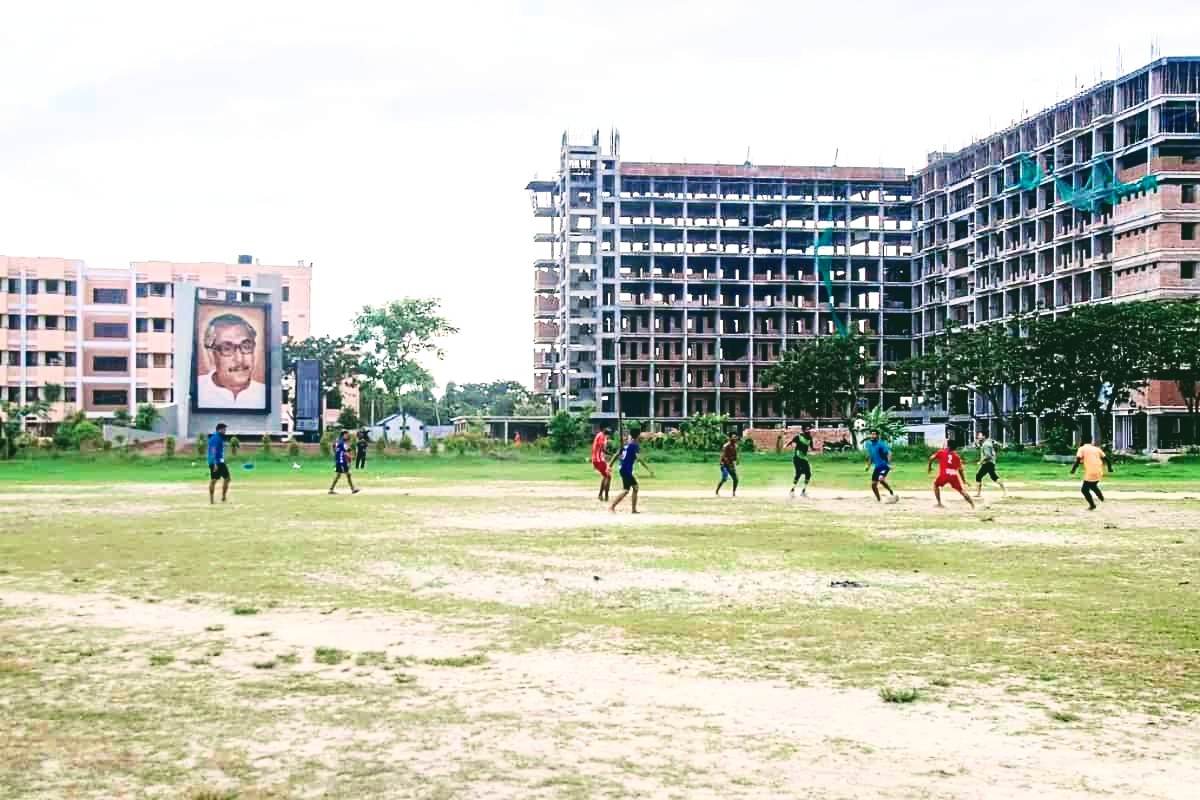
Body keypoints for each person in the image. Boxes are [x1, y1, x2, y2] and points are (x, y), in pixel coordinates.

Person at [196, 313, 267, 409]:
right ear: (211, 354)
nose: (239, 359)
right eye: (227, 349)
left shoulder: (263, 393)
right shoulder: (197, 389)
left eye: (246, 347)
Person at [609, 430, 653, 513]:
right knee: (626, 490)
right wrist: (648, 468)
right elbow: (638, 458)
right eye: (640, 435)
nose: (641, 437)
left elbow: (617, 454)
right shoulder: (634, 445)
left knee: (635, 488)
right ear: (637, 436)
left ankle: (633, 509)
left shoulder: (626, 444)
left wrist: (610, 465)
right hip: (626, 469)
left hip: (623, 469)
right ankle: (612, 507)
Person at [928, 440, 975, 509]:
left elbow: (931, 458)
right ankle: (972, 505)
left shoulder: (941, 452)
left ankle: (939, 503)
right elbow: (960, 470)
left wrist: (929, 467)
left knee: (935, 485)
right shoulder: (956, 456)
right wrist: (964, 480)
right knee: (961, 490)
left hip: (944, 474)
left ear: (948, 446)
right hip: (953, 475)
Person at [1071, 435, 1112, 510]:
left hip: (1091, 472)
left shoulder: (1081, 449)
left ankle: (1092, 505)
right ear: (1091, 440)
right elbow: (1107, 459)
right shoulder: (1096, 449)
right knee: (1092, 485)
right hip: (1099, 471)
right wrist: (1110, 468)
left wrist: (1073, 469)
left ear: (1082, 440)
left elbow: (1077, 460)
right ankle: (1101, 497)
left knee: (1084, 490)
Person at [865, 430, 898, 503]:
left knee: (880, 479)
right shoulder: (869, 445)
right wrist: (868, 466)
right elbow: (871, 457)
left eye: (874, 434)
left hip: (884, 465)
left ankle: (890, 491)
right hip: (877, 467)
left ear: (877, 436)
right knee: (873, 485)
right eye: (871, 434)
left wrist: (889, 463)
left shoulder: (881, 444)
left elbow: (889, 453)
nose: (872, 436)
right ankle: (879, 499)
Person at [974, 431, 1006, 497]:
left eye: (980, 435)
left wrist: (980, 461)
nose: (978, 436)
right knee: (993, 477)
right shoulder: (987, 442)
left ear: (984, 436)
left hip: (988, 462)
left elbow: (988, 456)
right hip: (990, 462)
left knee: (979, 476)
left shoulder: (986, 444)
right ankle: (1004, 491)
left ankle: (978, 493)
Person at [329, 430, 360, 495]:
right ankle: (353, 489)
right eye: (346, 435)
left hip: (339, 461)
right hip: (342, 461)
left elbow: (334, 447)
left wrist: (337, 454)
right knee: (348, 474)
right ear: (343, 435)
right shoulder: (343, 443)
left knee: (338, 475)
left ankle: (331, 489)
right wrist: (351, 457)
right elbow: (347, 451)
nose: (347, 436)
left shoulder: (338, 442)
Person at [207, 422, 230, 504]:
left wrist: (224, 460)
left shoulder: (219, 438)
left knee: (227, 478)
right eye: (224, 429)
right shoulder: (216, 438)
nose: (225, 431)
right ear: (219, 430)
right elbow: (213, 450)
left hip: (220, 461)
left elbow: (219, 452)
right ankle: (212, 500)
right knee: (214, 480)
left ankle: (223, 497)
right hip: (215, 462)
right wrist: (215, 464)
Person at [789, 425, 814, 496]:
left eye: (809, 429)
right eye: (807, 429)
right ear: (803, 430)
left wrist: (815, 450)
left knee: (808, 474)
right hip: (797, 458)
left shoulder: (810, 438)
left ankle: (803, 491)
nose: (808, 431)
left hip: (804, 458)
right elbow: (791, 441)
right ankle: (792, 490)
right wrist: (786, 445)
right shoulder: (799, 437)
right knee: (798, 473)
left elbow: (812, 447)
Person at [592, 427, 613, 501]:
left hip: (597, 459)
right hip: (599, 460)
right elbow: (603, 449)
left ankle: (601, 495)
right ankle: (606, 497)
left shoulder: (599, 435)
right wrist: (612, 454)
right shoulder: (603, 437)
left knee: (605, 476)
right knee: (608, 476)